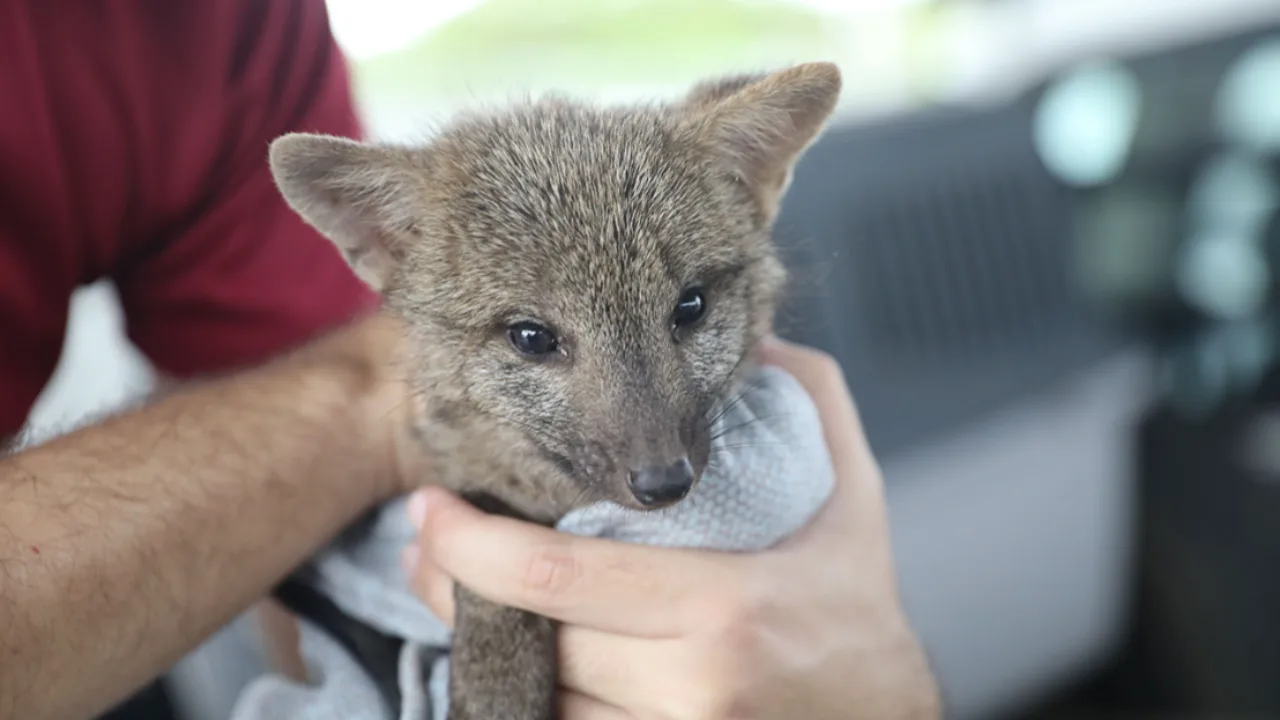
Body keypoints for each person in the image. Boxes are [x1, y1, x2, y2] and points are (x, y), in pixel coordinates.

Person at [0, 2, 940, 720]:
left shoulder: (203, 28)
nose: (663, 458)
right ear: (384, 238)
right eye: (538, 342)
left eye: (687, 311)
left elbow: (300, 541)